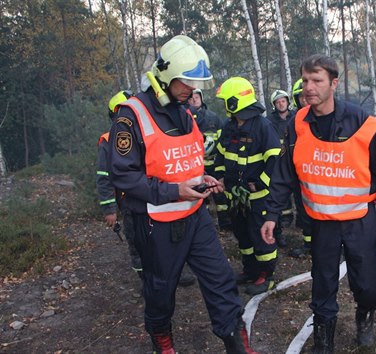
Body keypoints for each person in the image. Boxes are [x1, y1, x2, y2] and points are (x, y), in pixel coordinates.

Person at [108, 35, 257, 354]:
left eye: (195, 83)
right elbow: (123, 176)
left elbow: (185, 159)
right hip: (156, 224)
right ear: (166, 75)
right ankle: (162, 343)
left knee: (221, 281)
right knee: (160, 291)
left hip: (196, 217)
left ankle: (237, 344)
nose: (192, 89)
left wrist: (200, 178)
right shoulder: (131, 115)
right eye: (187, 82)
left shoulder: (183, 112)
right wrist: (175, 189)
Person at [261, 54, 376, 353]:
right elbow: (283, 173)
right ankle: (323, 342)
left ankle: (364, 315)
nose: (309, 88)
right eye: (305, 81)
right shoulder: (297, 124)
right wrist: (272, 214)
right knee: (323, 284)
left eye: (317, 80)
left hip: (360, 221)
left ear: (334, 83)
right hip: (322, 223)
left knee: (368, 285)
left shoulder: (361, 122)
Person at [214, 76, 281, 296]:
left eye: (226, 101)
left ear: (235, 102)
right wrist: (221, 177)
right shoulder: (229, 126)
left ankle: (266, 275)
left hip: (257, 196)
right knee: (243, 235)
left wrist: (260, 182)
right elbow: (221, 155)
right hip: (236, 196)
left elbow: (275, 160)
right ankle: (250, 270)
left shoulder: (263, 126)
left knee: (260, 235)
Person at [97, 90, 143, 281]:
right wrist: (109, 209)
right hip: (129, 200)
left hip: (153, 195)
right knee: (136, 241)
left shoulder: (146, 131)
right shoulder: (108, 141)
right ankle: (146, 280)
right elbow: (103, 176)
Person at [187, 88, 232, 232]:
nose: (194, 99)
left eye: (196, 96)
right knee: (201, 197)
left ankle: (225, 223)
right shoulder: (186, 119)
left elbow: (222, 140)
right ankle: (205, 227)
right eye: (191, 97)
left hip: (214, 163)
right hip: (196, 167)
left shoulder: (213, 118)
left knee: (220, 196)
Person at [286, 79, 314, 258]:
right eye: (300, 97)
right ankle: (308, 244)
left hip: (322, 176)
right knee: (303, 211)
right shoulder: (294, 122)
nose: (305, 100)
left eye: (306, 97)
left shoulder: (327, 118)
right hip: (300, 176)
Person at [267, 89, 295, 247]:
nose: (281, 103)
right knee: (279, 190)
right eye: (277, 102)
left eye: (283, 100)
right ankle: (283, 220)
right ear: (274, 105)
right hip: (277, 161)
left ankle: (290, 218)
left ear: (287, 101)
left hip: (293, 159)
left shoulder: (296, 117)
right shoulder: (270, 121)